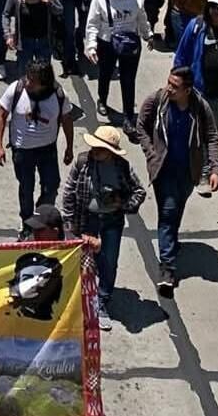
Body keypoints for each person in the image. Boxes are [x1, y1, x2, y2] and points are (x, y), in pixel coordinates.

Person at [137, 67, 218, 297]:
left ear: (187, 89)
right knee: (167, 212)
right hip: (162, 170)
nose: (169, 89)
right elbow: (140, 127)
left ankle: (171, 243)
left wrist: (216, 168)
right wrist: (151, 152)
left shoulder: (200, 107)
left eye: (175, 86)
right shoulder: (157, 100)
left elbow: (212, 136)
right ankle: (167, 269)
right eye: (168, 83)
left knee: (176, 209)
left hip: (188, 172)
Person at [60, 125, 146, 330]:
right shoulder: (83, 162)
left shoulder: (122, 167)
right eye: (94, 147)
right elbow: (69, 191)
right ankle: (79, 299)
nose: (95, 151)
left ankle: (102, 300)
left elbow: (139, 191)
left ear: (110, 152)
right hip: (87, 219)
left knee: (109, 261)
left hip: (111, 221)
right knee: (83, 260)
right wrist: (70, 222)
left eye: (100, 149)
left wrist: (123, 204)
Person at [0, 59, 74, 236]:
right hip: (22, 151)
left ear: (43, 82)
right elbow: (1, 115)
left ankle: (41, 217)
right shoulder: (16, 89)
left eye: (32, 80)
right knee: (26, 187)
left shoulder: (59, 95)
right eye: (27, 78)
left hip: (48, 150)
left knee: (52, 186)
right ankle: (27, 223)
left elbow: (67, 121)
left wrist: (69, 147)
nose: (27, 82)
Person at [84, 0, 151, 137]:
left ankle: (129, 118)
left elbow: (141, 15)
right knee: (105, 74)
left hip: (130, 42)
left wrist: (147, 34)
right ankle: (103, 99)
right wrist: (91, 46)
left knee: (128, 80)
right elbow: (92, 23)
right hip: (107, 43)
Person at [4, 0, 60, 76]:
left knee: (44, 75)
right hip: (24, 42)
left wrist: (50, 3)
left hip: (44, 41)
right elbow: (5, 15)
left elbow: (59, 10)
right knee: (24, 74)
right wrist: (8, 35)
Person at [174, 0, 218, 121]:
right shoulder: (197, 26)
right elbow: (181, 58)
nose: (215, 11)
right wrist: (179, 87)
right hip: (198, 94)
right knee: (193, 133)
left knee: (212, 136)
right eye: (213, 6)